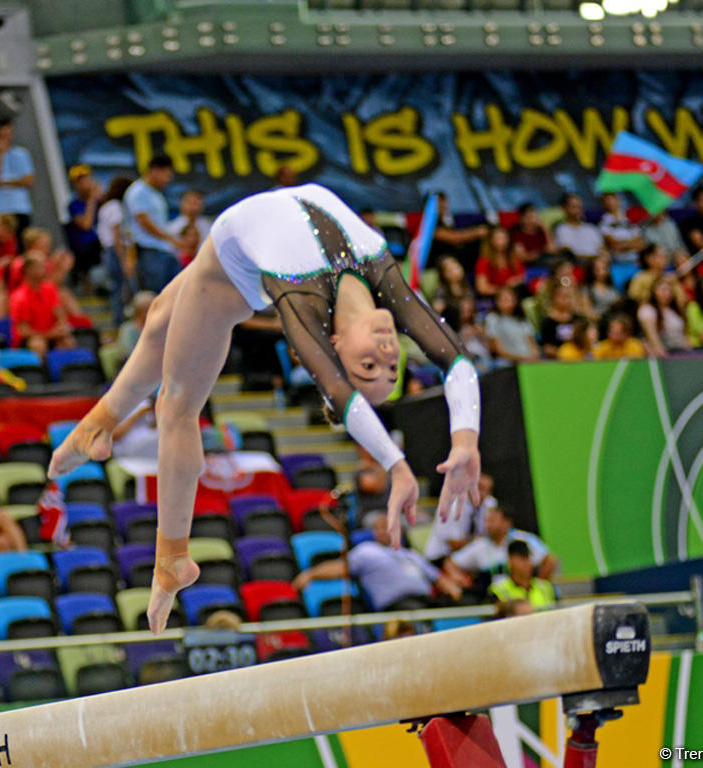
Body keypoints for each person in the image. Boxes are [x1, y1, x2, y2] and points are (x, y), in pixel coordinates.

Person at [49, 183, 482, 634]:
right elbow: (457, 361)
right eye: (389, 367)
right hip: (264, 227)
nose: (387, 354)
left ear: (334, 345)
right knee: (159, 315)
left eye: (368, 365)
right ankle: (98, 424)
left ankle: (171, 558)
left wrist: (396, 464)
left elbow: (341, 395)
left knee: (176, 407)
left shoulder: (301, 300)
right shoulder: (384, 279)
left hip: (232, 263)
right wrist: (465, 440)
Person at [292, 511, 463, 611]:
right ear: (374, 531)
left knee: (463, 605)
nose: (386, 530)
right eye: (381, 527)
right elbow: (340, 568)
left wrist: (452, 588)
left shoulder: (411, 554)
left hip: (426, 601)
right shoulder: (367, 551)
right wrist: (311, 574)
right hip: (398, 606)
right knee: (416, 611)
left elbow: (438, 578)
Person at [446, 505, 557, 582]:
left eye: (492, 520)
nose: (488, 525)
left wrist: (538, 584)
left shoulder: (524, 539)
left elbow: (550, 561)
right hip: (494, 598)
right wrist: (459, 578)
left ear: (507, 523)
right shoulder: (480, 545)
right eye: (486, 521)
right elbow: (451, 563)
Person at [124, 155, 181, 293]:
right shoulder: (138, 192)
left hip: (163, 248)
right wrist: (169, 238)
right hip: (148, 250)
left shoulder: (156, 193)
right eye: (166, 175)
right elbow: (144, 222)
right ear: (155, 170)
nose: (168, 180)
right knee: (154, 294)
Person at [0, 117, 34, 238]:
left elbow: (28, 181)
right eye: (1, 135)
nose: (5, 138)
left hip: (21, 208)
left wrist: (3, 183)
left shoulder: (22, 154)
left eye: (7, 134)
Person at [9, 255, 75, 357]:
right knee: (38, 344)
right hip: (29, 339)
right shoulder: (19, 296)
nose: (45, 269)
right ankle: (39, 367)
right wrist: (49, 334)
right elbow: (23, 331)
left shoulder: (50, 289)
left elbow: (59, 314)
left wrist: (61, 327)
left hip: (50, 334)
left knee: (67, 341)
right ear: (29, 270)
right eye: (41, 266)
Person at [423, 472, 498, 562]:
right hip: (440, 557)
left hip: (469, 555)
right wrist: (479, 540)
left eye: (488, 490)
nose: (483, 494)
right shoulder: (451, 507)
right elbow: (454, 544)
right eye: (480, 488)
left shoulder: (490, 504)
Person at [98, 175, 136, 327]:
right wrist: (123, 260)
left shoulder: (107, 206)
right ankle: (119, 322)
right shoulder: (114, 206)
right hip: (116, 251)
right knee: (120, 288)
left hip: (110, 251)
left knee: (118, 288)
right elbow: (116, 236)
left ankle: (119, 321)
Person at [487, 540, 556, 610]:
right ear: (510, 562)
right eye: (522, 559)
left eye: (528, 558)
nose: (526, 563)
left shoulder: (545, 587)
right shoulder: (497, 590)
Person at [428, 192, 488, 266]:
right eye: (439, 205)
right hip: (437, 265)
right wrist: (477, 232)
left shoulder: (446, 221)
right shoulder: (428, 224)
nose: (443, 206)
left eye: (444, 203)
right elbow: (455, 238)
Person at [484, 285, 539, 366]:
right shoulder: (492, 319)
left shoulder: (522, 319)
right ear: (497, 301)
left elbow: (532, 342)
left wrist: (534, 355)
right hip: (506, 363)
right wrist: (521, 358)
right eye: (504, 299)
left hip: (528, 361)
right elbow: (497, 349)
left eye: (509, 299)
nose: (507, 302)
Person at [64, 164, 103, 278]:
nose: (86, 184)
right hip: (86, 249)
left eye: (87, 179)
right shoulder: (74, 205)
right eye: (81, 182)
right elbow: (86, 224)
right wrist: (92, 199)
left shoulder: (101, 200)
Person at [638, 277, 689, 357]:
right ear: (654, 292)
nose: (667, 293)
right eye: (663, 290)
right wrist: (662, 354)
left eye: (669, 290)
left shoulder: (675, 310)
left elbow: (685, 333)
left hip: (682, 351)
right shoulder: (647, 309)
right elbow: (652, 336)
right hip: (665, 353)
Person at [473, 226, 526, 299]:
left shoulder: (514, 257)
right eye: (497, 238)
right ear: (491, 240)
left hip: (515, 295)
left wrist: (515, 282)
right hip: (494, 297)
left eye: (503, 238)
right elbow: (482, 288)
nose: (501, 242)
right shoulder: (483, 261)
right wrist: (504, 288)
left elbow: (522, 277)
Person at [553, 194, 605, 260]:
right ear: (564, 208)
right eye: (574, 207)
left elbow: (602, 250)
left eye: (580, 207)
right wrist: (592, 258)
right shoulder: (561, 229)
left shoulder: (591, 228)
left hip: (597, 263)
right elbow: (567, 254)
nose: (578, 211)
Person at [597, 192, 645, 263]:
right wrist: (632, 244)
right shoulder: (603, 223)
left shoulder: (629, 218)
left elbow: (640, 242)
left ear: (618, 200)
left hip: (636, 260)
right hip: (618, 261)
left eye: (612, 199)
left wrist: (623, 245)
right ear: (603, 204)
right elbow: (615, 245)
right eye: (607, 201)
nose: (610, 203)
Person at [539, 281, 583, 358]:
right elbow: (547, 348)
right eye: (563, 297)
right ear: (553, 298)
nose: (567, 301)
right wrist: (564, 354)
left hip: (578, 359)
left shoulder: (578, 319)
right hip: (557, 360)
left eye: (569, 297)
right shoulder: (548, 322)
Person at [581, 253, 620, 318]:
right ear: (592, 270)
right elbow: (586, 310)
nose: (601, 272)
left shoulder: (612, 288)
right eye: (597, 269)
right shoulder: (587, 289)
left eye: (604, 269)